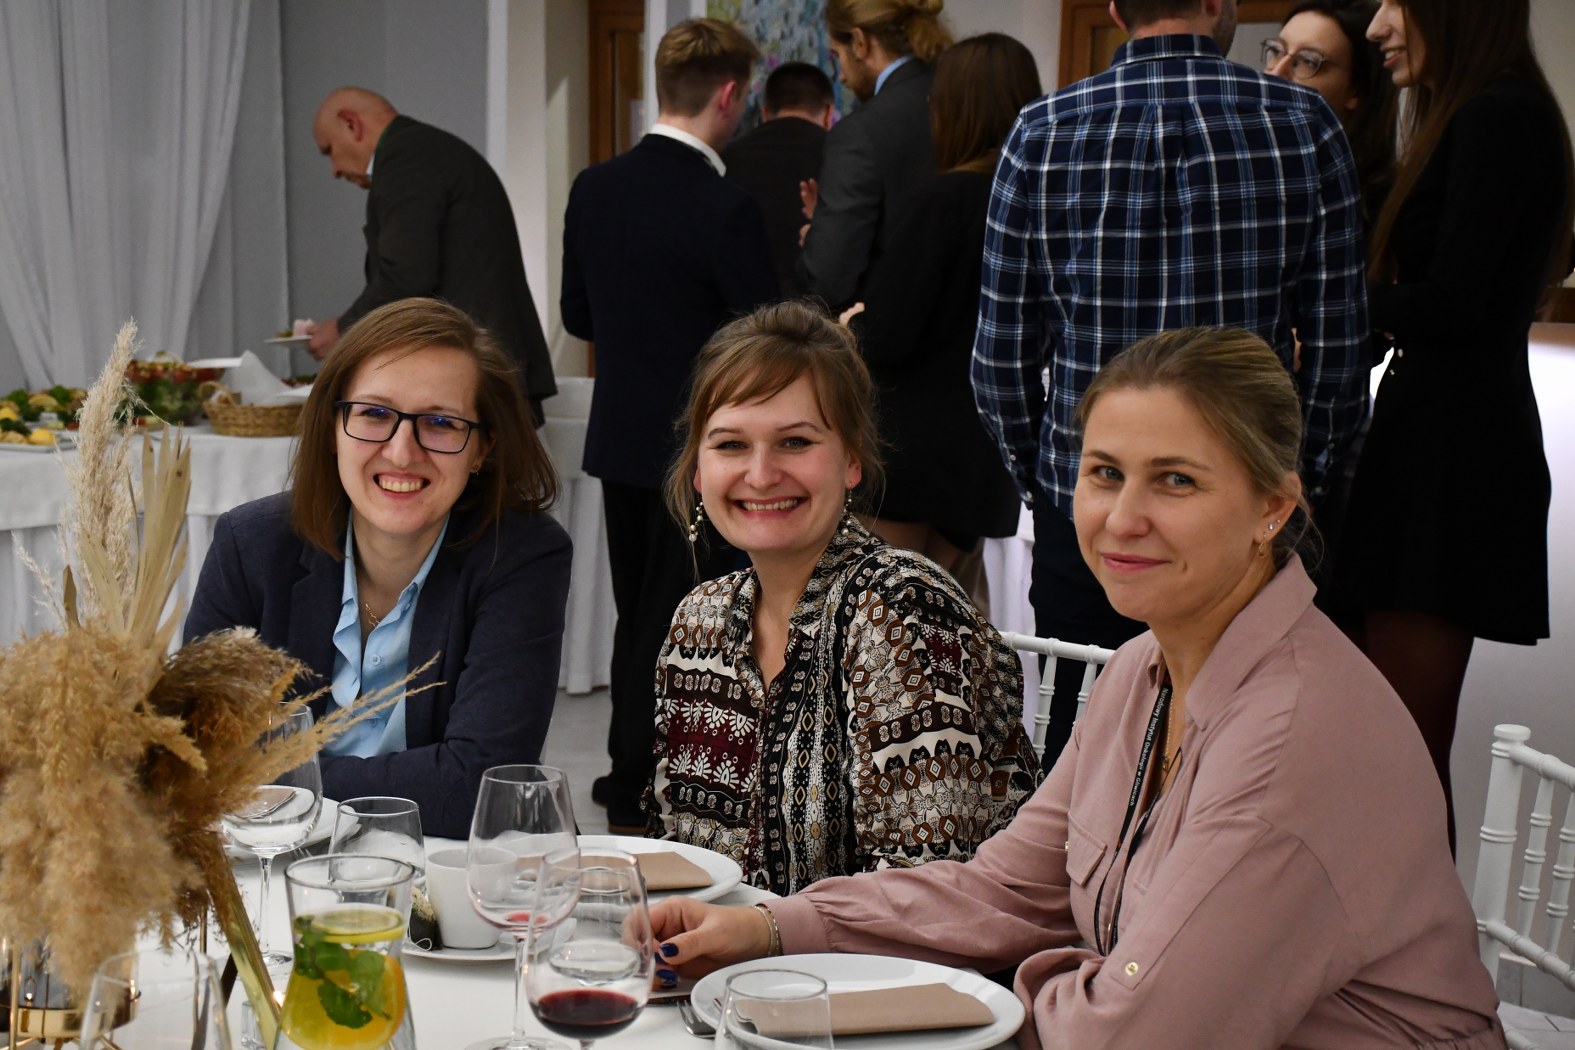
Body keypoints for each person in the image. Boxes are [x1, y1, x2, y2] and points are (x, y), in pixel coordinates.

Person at [650, 327, 1506, 1050]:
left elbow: (1135, 1032)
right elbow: (1006, 890)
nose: (1121, 519)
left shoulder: (1291, 736)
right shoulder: (1144, 667)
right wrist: (769, 926)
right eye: (1103, 473)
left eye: (1175, 480)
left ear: (1271, 509)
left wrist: (1016, 987)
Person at [971, 0, 1370, 766]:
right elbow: (1338, 357)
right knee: (1242, 755)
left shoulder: (1042, 129)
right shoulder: (1302, 124)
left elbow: (998, 361)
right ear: (1218, 5)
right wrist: (1291, 490)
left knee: (1081, 749)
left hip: (1092, 506)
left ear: (1115, 8)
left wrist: (1056, 485)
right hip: (1237, 506)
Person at [648, 301, 1039, 896]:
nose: (760, 474)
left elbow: (925, 889)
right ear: (698, 472)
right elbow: (672, 854)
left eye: (794, 442)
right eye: (730, 445)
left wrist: (762, 935)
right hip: (725, 949)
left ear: (851, 460)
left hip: (900, 955)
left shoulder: (902, 609)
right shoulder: (699, 621)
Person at [186, 299, 571, 839]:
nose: (401, 452)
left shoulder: (522, 556)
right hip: (274, 861)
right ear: (332, 427)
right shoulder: (251, 545)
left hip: (457, 868)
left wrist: (281, 777)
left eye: (441, 423)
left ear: (481, 449)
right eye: (374, 415)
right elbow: (200, 755)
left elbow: (481, 788)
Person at [1335, 0, 1575, 848]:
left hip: (1452, 457)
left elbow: (1458, 301)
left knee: (1399, 751)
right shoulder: (1488, 112)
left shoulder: (1497, 116)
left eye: (1394, 3)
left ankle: (1418, 933)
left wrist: (1331, 299)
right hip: (1438, 439)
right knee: (1388, 746)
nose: (1376, 27)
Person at [561, 18, 779, 833]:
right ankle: (662, 788)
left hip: (621, 439)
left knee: (639, 615)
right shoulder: (725, 207)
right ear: (728, 94)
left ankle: (628, 776)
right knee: (697, 620)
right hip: (699, 448)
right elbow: (764, 335)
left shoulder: (594, 188)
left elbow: (577, 313)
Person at [839, 33, 1039, 600]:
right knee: (954, 625)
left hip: (911, 457)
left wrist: (852, 324)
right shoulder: (1036, 202)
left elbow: (888, 334)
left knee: (878, 624)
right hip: (984, 455)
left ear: (953, 108)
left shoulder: (943, 200)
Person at [305, 88, 556, 424]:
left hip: (474, 375)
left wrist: (344, 330)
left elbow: (406, 276)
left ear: (352, 124)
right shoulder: (427, 149)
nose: (335, 170)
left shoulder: (405, 157)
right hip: (490, 368)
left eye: (329, 150)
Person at [797, 0, 951, 310]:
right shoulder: (965, 100)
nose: (841, 77)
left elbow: (828, 279)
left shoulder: (861, 132)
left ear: (859, 41)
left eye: (838, 56)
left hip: (889, 327)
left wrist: (817, 238)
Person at [1262, 0, 1397, 231]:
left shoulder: (1381, 201)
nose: (1276, 73)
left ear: (1356, 90)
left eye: (1308, 62)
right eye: (1276, 51)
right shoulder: (1256, 169)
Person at [723, 62, 835, 298]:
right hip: (818, 307)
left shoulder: (727, 158)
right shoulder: (841, 157)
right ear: (828, 114)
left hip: (742, 307)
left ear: (765, 113)